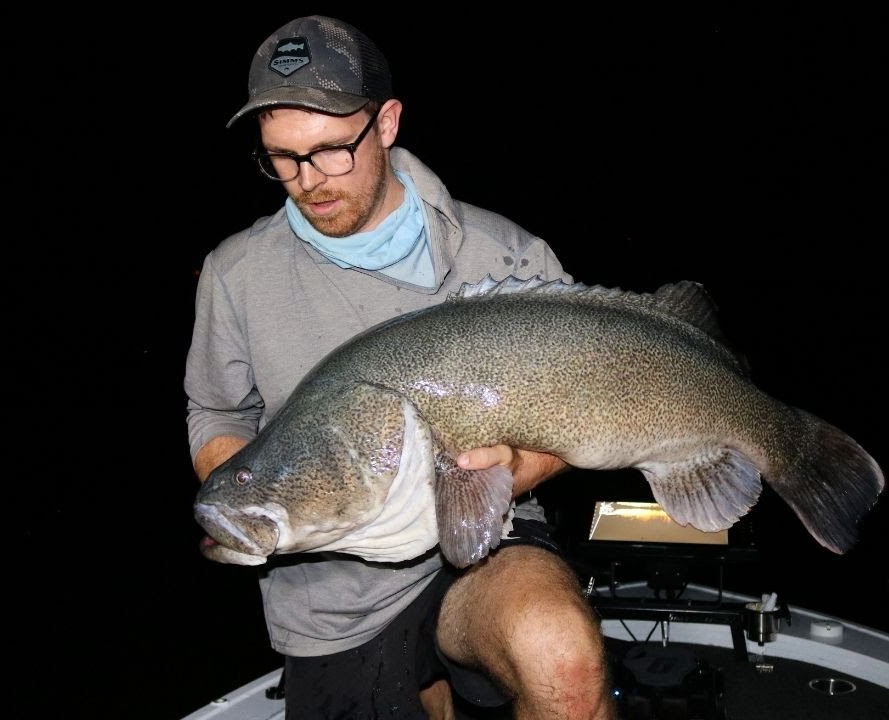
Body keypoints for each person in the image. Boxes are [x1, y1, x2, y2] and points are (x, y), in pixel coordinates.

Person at [184, 15, 614, 720]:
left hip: (486, 543)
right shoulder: (235, 274)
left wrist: (518, 465)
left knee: (561, 656)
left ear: (385, 123)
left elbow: (592, 403)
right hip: (329, 592)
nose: (305, 182)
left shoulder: (505, 258)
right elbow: (218, 411)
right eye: (280, 158)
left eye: (329, 151)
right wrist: (265, 495)